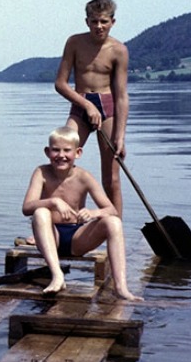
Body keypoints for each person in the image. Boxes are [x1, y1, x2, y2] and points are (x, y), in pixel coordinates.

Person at [21, 126, 140, 301]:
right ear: (47, 152)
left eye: (67, 150)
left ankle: (121, 287)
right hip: (51, 237)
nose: (61, 155)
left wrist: (93, 213)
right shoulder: (41, 172)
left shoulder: (84, 176)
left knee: (113, 222)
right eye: (55, 150)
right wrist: (53, 202)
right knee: (40, 212)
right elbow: (26, 207)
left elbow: (112, 210)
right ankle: (57, 275)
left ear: (78, 153)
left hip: (77, 238)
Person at [54, 0, 128, 216]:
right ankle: (56, 225)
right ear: (87, 21)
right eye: (94, 21)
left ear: (112, 22)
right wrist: (87, 105)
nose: (99, 26)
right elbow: (60, 84)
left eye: (103, 21)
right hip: (81, 105)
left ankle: (116, 230)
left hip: (108, 108)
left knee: (111, 177)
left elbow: (122, 96)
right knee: (61, 161)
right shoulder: (75, 42)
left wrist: (120, 137)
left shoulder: (119, 50)